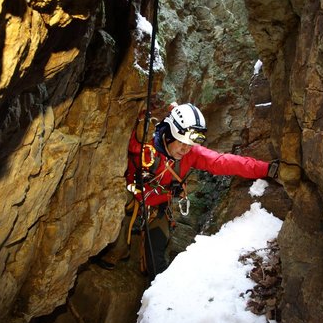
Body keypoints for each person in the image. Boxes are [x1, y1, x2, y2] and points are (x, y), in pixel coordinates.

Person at [97, 102, 278, 280]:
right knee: (120, 216)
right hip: (130, 198)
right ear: (168, 135)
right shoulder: (145, 143)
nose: (185, 149)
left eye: (190, 145)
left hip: (157, 206)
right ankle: (119, 248)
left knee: (156, 262)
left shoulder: (192, 154)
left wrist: (265, 169)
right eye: (182, 143)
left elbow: (224, 162)